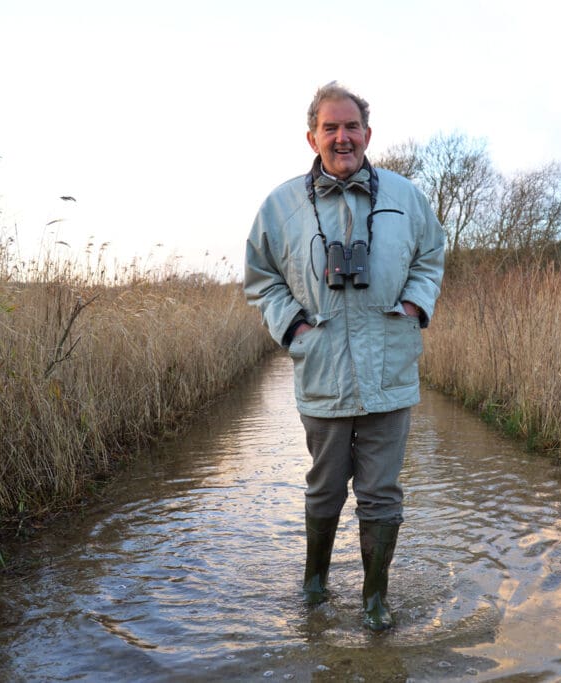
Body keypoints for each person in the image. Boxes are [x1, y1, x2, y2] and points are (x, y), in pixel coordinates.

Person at [244, 82, 444, 630]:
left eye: (351, 126)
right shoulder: (280, 205)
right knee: (325, 486)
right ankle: (315, 584)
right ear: (312, 136)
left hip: (391, 367)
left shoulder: (406, 197)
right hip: (322, 366)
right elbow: (261, 279)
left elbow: (431, 256)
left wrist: (413, 304)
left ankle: (375, 599)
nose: (342, 137)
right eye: (330, 128)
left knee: (381, 492)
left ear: (368, 134)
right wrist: (295, 327)